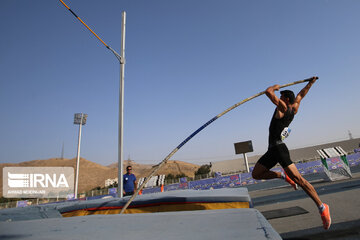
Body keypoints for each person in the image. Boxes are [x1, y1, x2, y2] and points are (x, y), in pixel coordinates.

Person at [251, 77, 331, 230]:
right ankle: (283, 176)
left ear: (285, 99)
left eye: (281, 97)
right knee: (257, 174)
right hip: (272, 150)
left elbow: (268, 92)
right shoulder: (295, 107)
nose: (279, 98)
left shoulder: (283, 107)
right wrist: (311, 83)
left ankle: (322, 207)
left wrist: (274, 87)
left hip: (279, 149)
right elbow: (302, 94)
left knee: (300, 180)